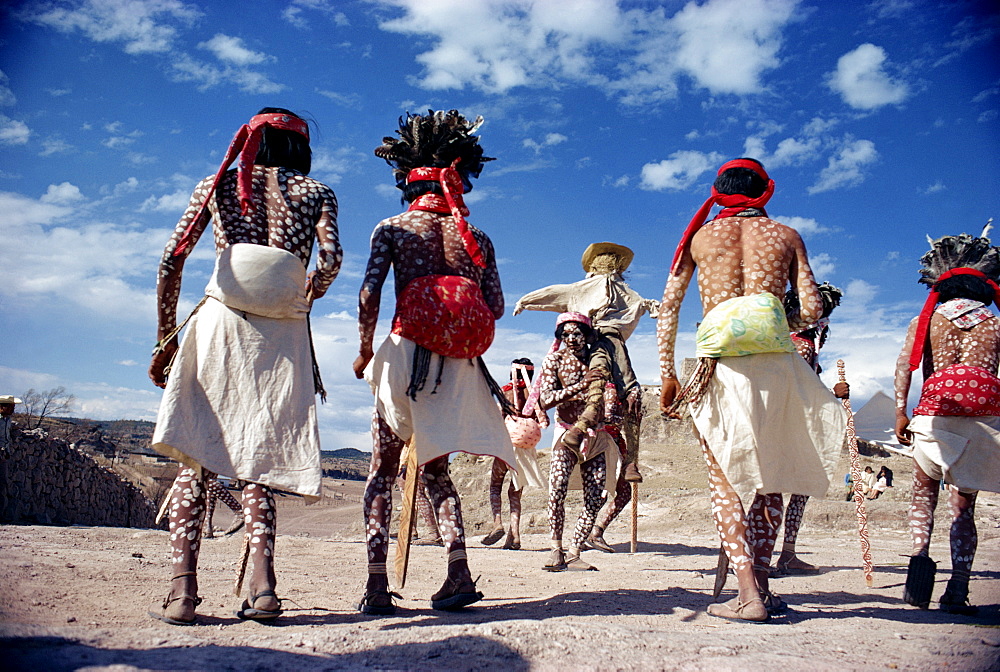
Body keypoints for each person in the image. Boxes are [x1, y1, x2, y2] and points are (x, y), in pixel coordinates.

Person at [147, 107, 342, 625]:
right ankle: (263, 588)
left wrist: (166, 337)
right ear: (299, 148)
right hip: (283, 334)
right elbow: (331, 261)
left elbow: (172, 259)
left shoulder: (215, 186)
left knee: (197, 454)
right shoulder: (319, 193)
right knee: (259, 459)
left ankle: (182, 592)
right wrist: (301, 297)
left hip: (220, 325)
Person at [657, 158, 845, 622]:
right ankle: (762, 583)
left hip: (720, 368)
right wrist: (776, 322)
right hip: (778, 367)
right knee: (771, 476)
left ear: (717, 192)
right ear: (766, 191)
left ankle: (747, 595)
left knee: (726, 484)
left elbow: (668, 309)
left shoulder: (700, 238)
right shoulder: (786, 236)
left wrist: (667, 373)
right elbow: (813, 309)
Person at [355, 109, 516, 615]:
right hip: (459, 364)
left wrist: (364, 350)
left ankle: (378, 586)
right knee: (437, 471)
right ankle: (458, 571)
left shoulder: (393, 227)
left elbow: (369, 295)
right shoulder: (478, 238)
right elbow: (495, 306)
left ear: (406, 185)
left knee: (383, 470)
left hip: (406, 353)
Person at [894, 229, 1000, 615]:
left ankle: (918, 572)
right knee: (963, 506)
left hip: (936, 410)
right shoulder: (994, 323)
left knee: (924, 494)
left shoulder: (929, 319)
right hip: (984, 410)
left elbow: (905, 367)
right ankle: (958, 588)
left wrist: (900, 412)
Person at [515, 242, 657, 481]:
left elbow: (641, 304)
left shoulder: (624, 291)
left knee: (631, 395)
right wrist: (527, 301)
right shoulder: (584, 288)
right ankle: (591, 432)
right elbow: (554, 293)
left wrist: (653, 306)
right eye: (606, 258)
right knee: (614, 382)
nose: (608, 263)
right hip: (598, 339)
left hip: (610, 342)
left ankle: (627, 457)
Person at [528, 312, 618, 572]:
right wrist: (580, 386)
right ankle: (556, 550)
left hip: (597, 435)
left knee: (596, 495)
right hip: (566, 433)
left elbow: (610, 387)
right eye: (566, 334)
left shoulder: (598, 359)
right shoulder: (554, 360)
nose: (571, 338)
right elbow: (545, 400)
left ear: (586, 335)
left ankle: (575, 550)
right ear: (559, 336)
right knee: (556, 491)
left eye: (576, 333)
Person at [775, 282, 847, 575]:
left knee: (783, 491)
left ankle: (771, 554)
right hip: (791, 427)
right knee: (789, 490)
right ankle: (780, 554)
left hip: (782, 424)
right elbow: (802, 392)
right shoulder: (801, 346)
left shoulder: (786, 344)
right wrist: (834, 396)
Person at [481, 358, 545, 551]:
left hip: (506, 445)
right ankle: (515, 535)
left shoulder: (506, 391)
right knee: (515, 492)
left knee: (495, 485)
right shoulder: (535, 395)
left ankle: (497, 522)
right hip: (526, 449)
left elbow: (497, 418)